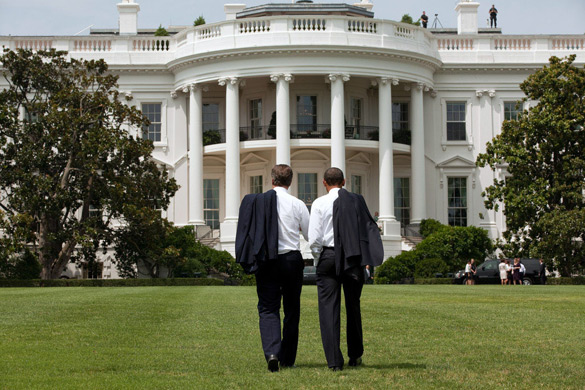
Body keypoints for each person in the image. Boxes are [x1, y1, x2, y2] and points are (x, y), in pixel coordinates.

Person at [235, 164, 310, 372]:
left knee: (268, 307)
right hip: (291, 260)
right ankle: (288, 358)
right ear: (291, 181)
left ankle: (272, 353)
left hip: (267, 259)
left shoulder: (259, 202)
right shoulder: (297, 204)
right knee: (292, 310)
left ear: (272, 180)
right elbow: (309, 234)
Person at [308, 167, 383, 371]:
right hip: (352, 257)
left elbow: (314, 238)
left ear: (324, 182)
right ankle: (355, 355)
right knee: (353, 307)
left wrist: (318, 257)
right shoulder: (356, 201)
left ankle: (334, 361)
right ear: (344, 181)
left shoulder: (319, 203)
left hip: (329, 256)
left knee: (328, 310)